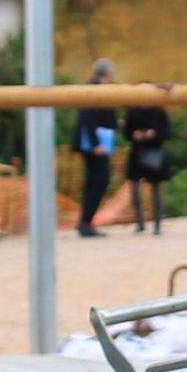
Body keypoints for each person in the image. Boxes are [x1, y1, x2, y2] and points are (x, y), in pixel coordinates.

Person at [71, 61, 122, 239]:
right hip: (95, 146)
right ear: (107, 73)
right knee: (98, 181)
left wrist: (117, 125)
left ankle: (86, 222)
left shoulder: (97, 87)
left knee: (95, 181)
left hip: (96, 144)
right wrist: (95, 145)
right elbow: (88, 118)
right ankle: (86, 222)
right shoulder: (93, 89)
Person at [119, 100, 172, 232]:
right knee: (135, 188)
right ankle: (140, 222)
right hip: (136, 152)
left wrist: (154, 134)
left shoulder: (159, 112)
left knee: (156, 188)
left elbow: (167, 132)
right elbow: (127, 132)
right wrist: (134, 134)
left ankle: (157, 223)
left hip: (154, 152)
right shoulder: (132, 112)